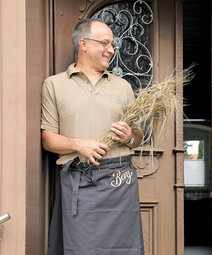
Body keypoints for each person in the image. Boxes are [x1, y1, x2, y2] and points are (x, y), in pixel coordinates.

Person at [41, 19, 145, 254]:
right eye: (105, 43)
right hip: (80, 179)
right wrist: (79, 145)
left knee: (124, 249)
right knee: (81, 249)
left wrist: (129, 137)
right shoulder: (54, 85)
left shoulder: (123, 87)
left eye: (112, 44)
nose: (111, 49)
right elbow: (48, 139)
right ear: (83, 44)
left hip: (119, 181)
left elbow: (138, 137)